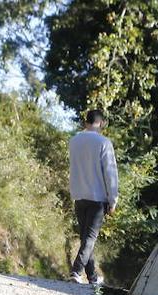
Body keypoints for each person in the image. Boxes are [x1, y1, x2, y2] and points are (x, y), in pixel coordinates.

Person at [67, 109, 119, 285]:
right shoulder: (104, 142)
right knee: (90, 238)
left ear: (85, 122)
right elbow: (110, 173)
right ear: (102, 123)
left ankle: (92, 278)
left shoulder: (74, 141)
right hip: (97, 198)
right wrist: (113, 199)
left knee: (85, 239)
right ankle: (76, 271)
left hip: (79, 195)